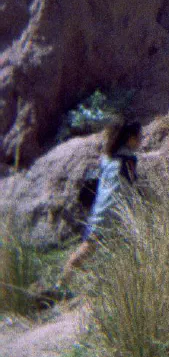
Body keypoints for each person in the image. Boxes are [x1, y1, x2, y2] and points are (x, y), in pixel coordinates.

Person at [61, 119, 142, 284]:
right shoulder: (129, 161)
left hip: (98, 213)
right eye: (139, 136)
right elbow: (133, 187)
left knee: (87, 249)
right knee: (125, 249)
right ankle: (63, 286)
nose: (141, 140)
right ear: (130, 139)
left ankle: (62, 283)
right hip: (113, 215)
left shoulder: (108, 158)